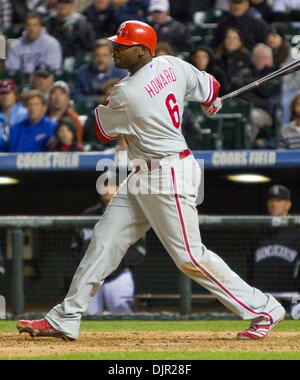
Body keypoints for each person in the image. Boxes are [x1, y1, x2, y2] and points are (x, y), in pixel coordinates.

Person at [17, 20, 285, 342]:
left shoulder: (127, 91)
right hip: (146, 173)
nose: (115, 49)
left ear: (142, 51)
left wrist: (198, 99)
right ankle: (66, 317)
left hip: (167, 175)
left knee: (190, 256)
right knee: (104, 240)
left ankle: (264, 308)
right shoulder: (172, 64)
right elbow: (211, 86)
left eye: (123, 45)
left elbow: (102, 130)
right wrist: (210, 100)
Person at [72, 177, 146, 314]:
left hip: (118, 276)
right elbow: (77, 247)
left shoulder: (132, 213)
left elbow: (139, 250)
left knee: (123, 315)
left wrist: (115, 264)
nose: (106, 189)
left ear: (120, 188)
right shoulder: (89, 215)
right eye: (103, 185)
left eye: (111, 185)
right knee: (89, 317)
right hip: (90, 276)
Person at [249, 185, 300, 302]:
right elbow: (250, 266)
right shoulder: (258, 231)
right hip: (263, 297)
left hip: (290, 297)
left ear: (288, 205)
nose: (274, 204)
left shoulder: (297, 231)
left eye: (279, 200)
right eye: (271, 200)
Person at [231, 43, 281, 147]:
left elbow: (267, 90)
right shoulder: (246, 72)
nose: (260, 60)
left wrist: (248, 88)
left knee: (252, 116)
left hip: (266, 113)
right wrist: (256, 88)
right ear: (253, 59)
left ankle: (245, 148)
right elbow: (235, 83)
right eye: (257, 57)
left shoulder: (275, 73)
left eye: (264, 57)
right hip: (243, 109)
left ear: (271, 60)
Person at [73, 39, 128, 105]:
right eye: (97, 55)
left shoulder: (122, 75)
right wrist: (99, 99)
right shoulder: (81, 74)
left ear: (111, 56)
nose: (101, 59)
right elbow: (76, 98)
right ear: (93, 56)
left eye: (104, 55)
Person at [266, 23, 300, 126]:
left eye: (274, 36)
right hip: (272, 90)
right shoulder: (265, 52)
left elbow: (298, 79)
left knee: (285, 103)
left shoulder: (293, 53)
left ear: (281, 38)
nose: (271, 39)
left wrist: (283, 87)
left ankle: (282, 133)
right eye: (269, 36)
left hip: (291, 90)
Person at [82, 77, 120, 149]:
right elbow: (91, 140)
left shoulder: (131, 112)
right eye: (110, 89)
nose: (111, 92)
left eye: (115, 88)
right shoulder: (95, 115)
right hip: (102, 151)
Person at [215, 27, 252, 92]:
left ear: (240, 42)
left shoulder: (246, 57)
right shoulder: (217, 58)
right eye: (228, 38)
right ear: (224, 41)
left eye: (235, 38)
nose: (231, 41)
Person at [47, 81, 84, 145]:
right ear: (49, 98)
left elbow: (78, 144)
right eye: (54, 93)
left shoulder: (73, 119)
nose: (57, 97)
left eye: (61, 94)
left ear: (67, 98)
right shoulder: (42, 117)